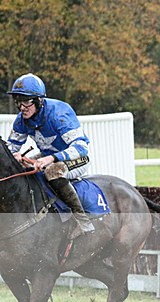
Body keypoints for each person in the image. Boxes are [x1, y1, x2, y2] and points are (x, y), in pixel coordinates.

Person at [6, 73, 94, 238]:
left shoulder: (59, 114)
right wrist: (14, 157)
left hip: (76, 158)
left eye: (26, 101)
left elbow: (81, 148)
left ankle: (83, 221)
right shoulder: (21, 120)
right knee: (21, 169)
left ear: (39, 100)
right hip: (49, 156)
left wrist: (51, 158)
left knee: (52, 171)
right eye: (18, 101)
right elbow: (10, 148)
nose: (22, 107)